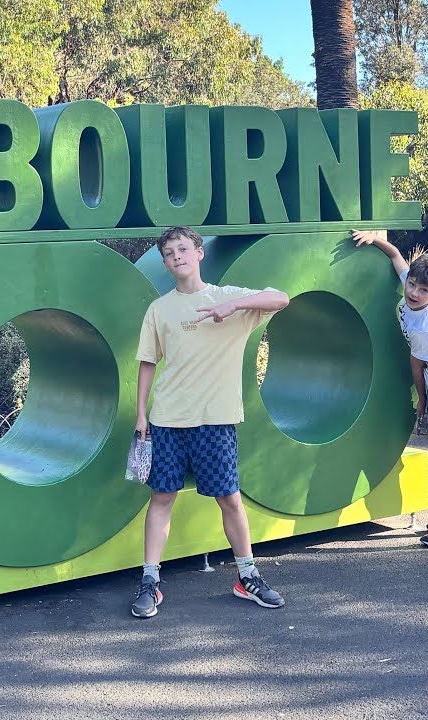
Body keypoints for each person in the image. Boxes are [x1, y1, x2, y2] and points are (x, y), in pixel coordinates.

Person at [131, 226, 291, 618]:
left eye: (183, 249)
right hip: (168, 420)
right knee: (162, 498)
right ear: (165, 263)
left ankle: (247, 576)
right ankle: (150, 581)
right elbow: (148, 363)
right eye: (169, 253)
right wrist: (140, 414)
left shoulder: (229, 297)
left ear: (199, 253)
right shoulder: (160, 309)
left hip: (216, 421)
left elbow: (282, 298)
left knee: (230, 499)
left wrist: (232, 308)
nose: (176, 257)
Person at [351, 230, 428, 549]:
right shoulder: (414, 282)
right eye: (412, 285)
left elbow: (417, 368)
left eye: (423, 290)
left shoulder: (426, 328)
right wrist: (373, 239)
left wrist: (420, 400)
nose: (414, 293)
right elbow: (396, 257)